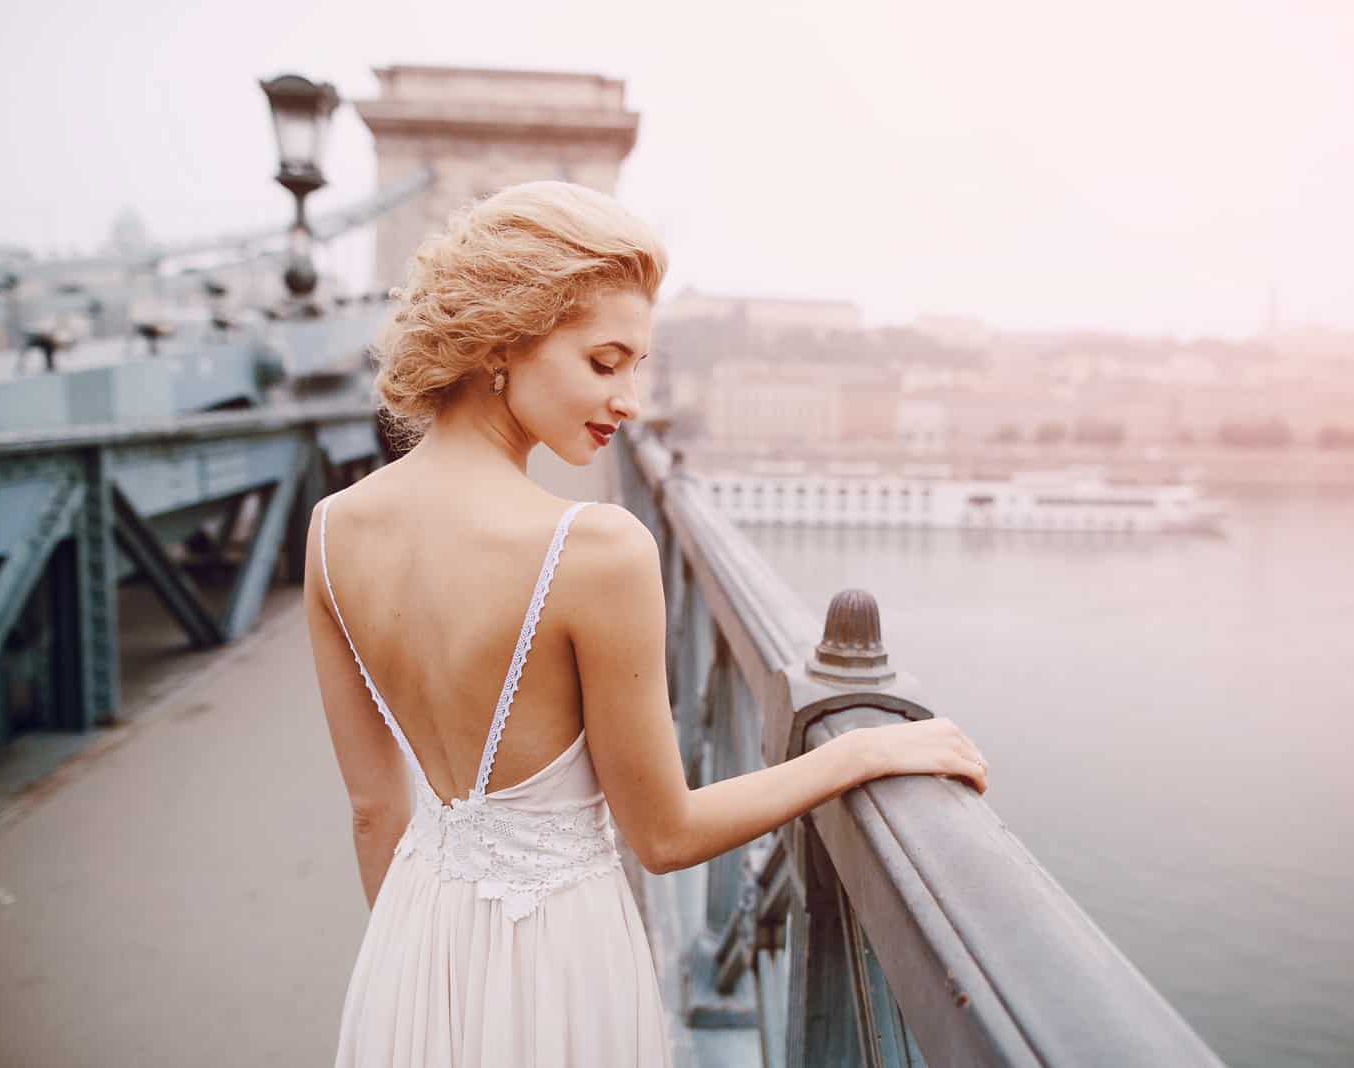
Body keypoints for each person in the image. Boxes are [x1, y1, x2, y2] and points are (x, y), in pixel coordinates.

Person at [303, 180, 990, 1067]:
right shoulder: (595, 551)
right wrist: (858, 751)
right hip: (560, 965)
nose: (629, 400)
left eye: (637, 368)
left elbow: (372, 812)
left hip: (409, 951)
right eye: (605, 362)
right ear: (502, 341)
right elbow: (665, 838)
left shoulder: (330, 532)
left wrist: (421, 971)